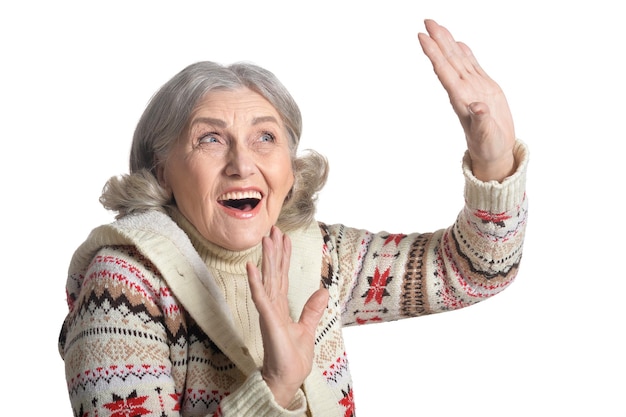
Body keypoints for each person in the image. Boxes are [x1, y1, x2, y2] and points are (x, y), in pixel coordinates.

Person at [58, 19, 528, 417]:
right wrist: (275, 386)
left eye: (265, 137)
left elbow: (471, 273)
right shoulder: (121, 285)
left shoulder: (319, 255)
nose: (243, 164)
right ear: (162, 169)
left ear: (289, 166)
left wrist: (494, 160)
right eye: (210, 140)